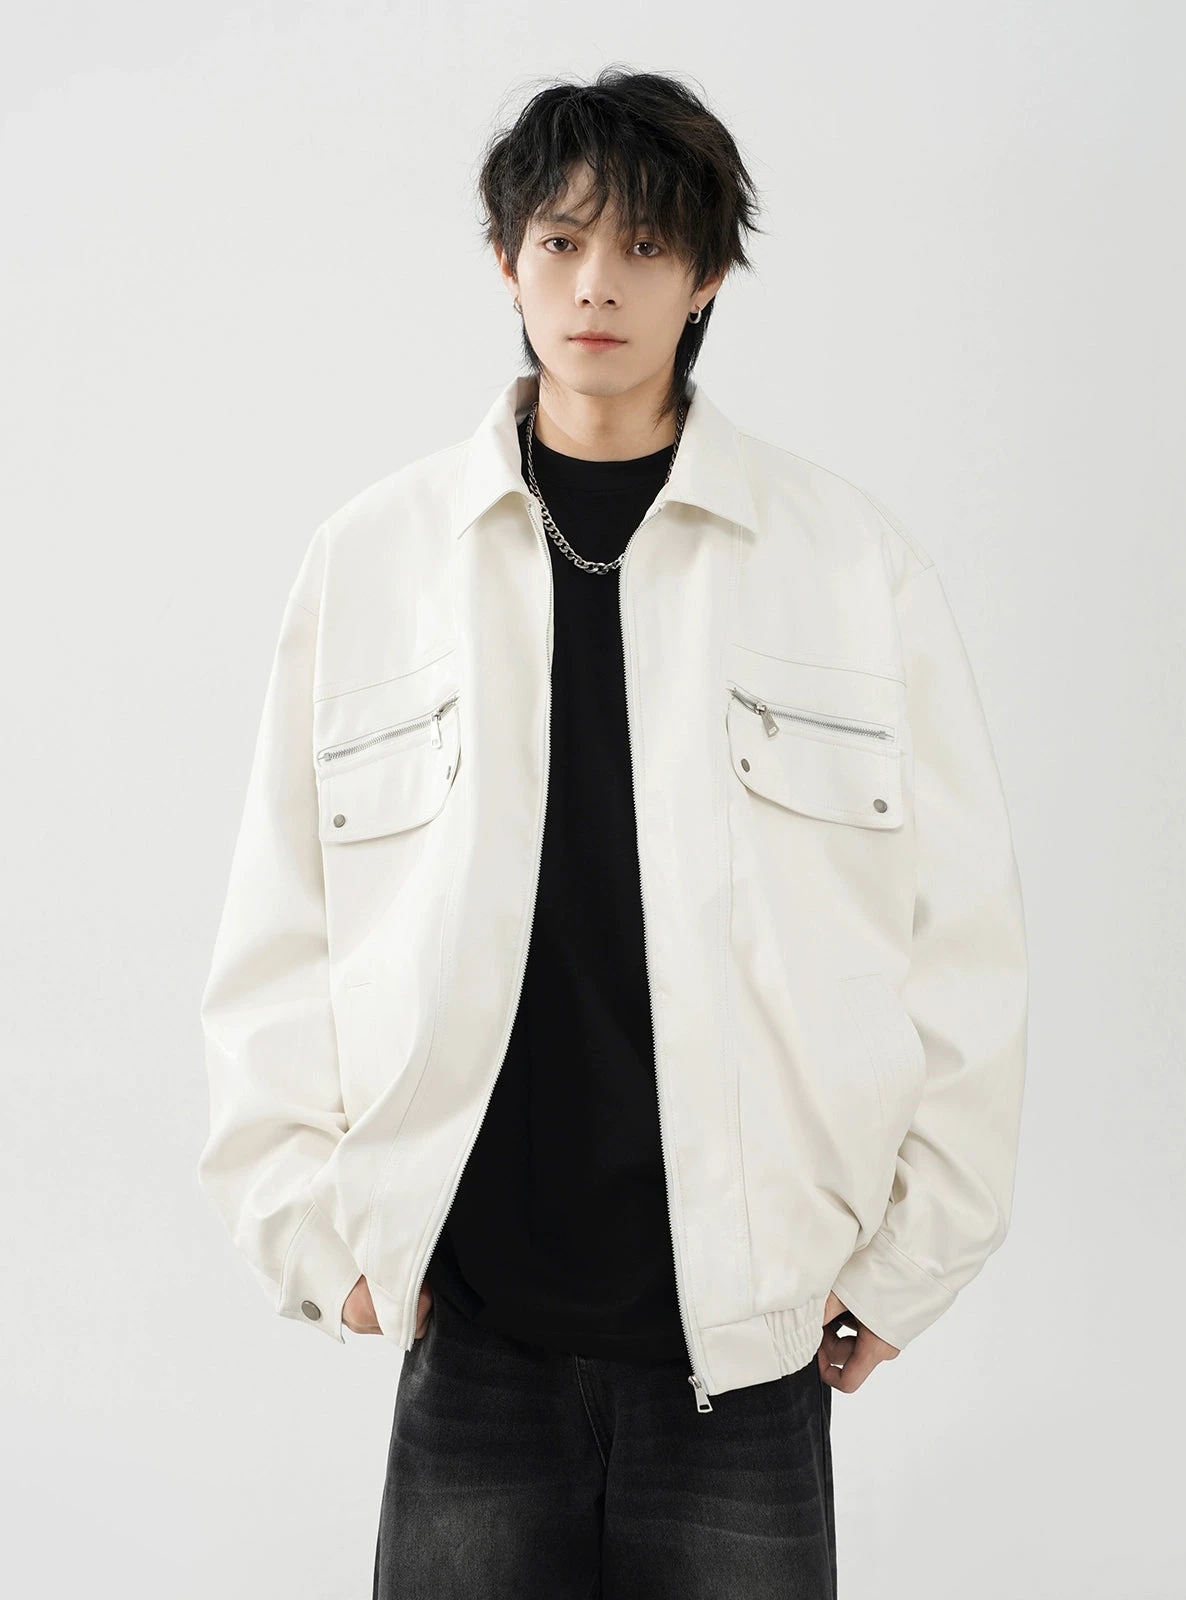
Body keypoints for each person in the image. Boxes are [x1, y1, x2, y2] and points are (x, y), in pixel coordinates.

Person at [198, 67, 1029, 1600]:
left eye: (646, 246)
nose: (597, 285)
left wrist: (911, 1260)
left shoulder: (849, 570)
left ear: (706, 276)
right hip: (476, 1337)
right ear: (505, 260)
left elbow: (962, 942)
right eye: (563, 241)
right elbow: (280, 925)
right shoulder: (377, 564)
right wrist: (316, 1239)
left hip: (747, 1352)